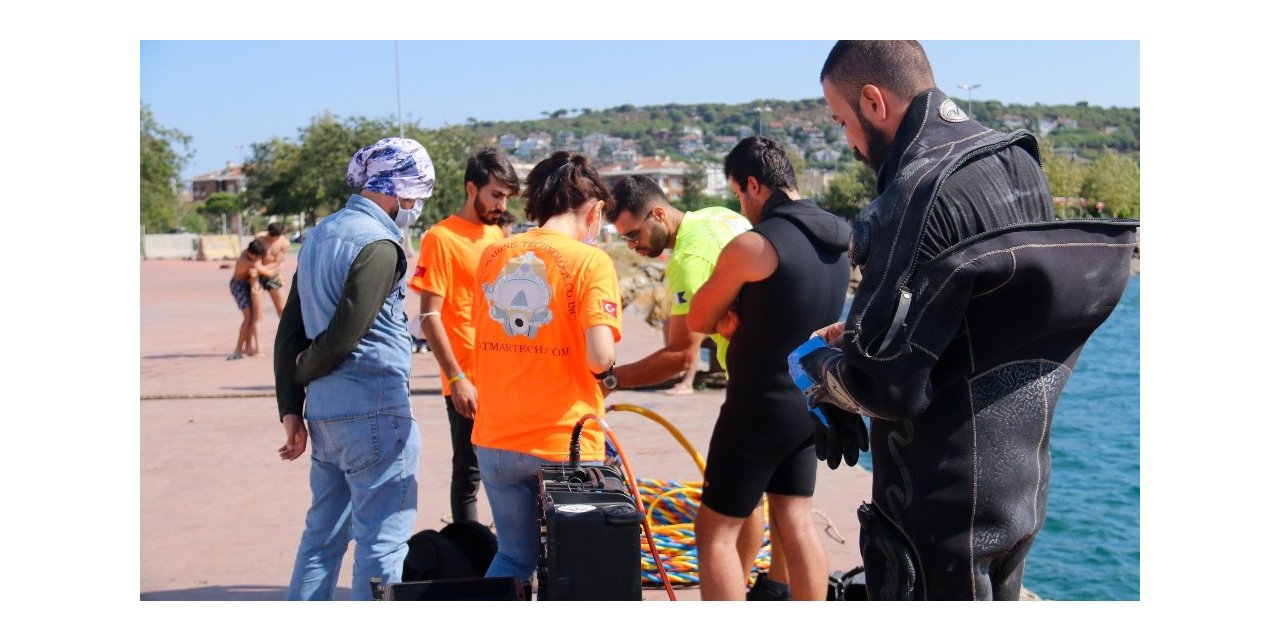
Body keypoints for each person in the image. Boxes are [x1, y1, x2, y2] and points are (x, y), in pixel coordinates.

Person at [795, 41, 1138, 600]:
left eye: (842, 121)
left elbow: (883, 384)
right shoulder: (1019, 160)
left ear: (873, 101)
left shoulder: (912, 191)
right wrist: (857, 335)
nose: (848, 140)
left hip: (935, 507)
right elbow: (980, 315)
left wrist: (818, 374)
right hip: (1020, 487)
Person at [603, 175, 793, 597]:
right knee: (781, 506)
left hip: (753, 387)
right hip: (791, 377)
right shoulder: (717, 217)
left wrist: (611, 380)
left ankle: (737, 598)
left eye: (634, 234)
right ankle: (773, 589)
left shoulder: (689, 257)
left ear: (658, 213)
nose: (632, 245)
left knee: (714, 525)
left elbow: (679, 357)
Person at [686, 136, 852, 601]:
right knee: (797, 522)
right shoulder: (842, 238)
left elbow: (698, 319)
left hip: (757, 406)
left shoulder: (757, 245)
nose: (742, 205)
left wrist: (727, 315)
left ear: (754, 185)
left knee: (715, 532)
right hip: (810, 401)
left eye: (739, 193)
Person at [272, 137, 435, 600]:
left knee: (321, 540)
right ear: (397, 190)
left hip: (325, 416)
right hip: (375, 413)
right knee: (381, 544)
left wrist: (291, 405)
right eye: (416, 197)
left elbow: (290, 330)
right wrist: (306, 371)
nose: (415, 207)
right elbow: (345, 334)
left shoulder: (320, 234)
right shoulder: (381, 245)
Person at [471, 151, 622, 581]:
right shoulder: (591, 261)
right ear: (593, 211)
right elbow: (599, 355)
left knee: (514, 559)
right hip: (563, 441)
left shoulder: (494, 254)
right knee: (575, 567)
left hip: (496, 436)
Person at [408, 147, 520, 525]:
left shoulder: (495, 233)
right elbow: (428, 315)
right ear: (472, 188)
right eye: (496, 195)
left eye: (506, 197)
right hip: (466, 378)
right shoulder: (440, 238)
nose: (502, 204)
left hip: (505, 375)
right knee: (470, 472)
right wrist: (456, 378)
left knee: (512, 470)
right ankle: (469, 559)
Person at [228, 238, 274, 360]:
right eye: (257, 257)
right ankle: (238, 349)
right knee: (248, 317)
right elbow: (268, 274)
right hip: (239, 286)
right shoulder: (248, 261)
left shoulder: (249, 254)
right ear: (252, 254)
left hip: (248, 283)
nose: (259, 258)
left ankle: (248, 346)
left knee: (254, 316)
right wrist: (277, 267)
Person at [254, 222, 291, 317]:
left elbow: (277, 263)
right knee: (257, 312)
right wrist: (259, 270)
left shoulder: (284, 243)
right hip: (258, 276)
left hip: (272, 275)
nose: (272, 240)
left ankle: (284, 331)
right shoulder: (259, 238)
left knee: (282, 309)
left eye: (275, 238)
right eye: (270, 237)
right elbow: (254, 257)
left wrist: (262, 269)